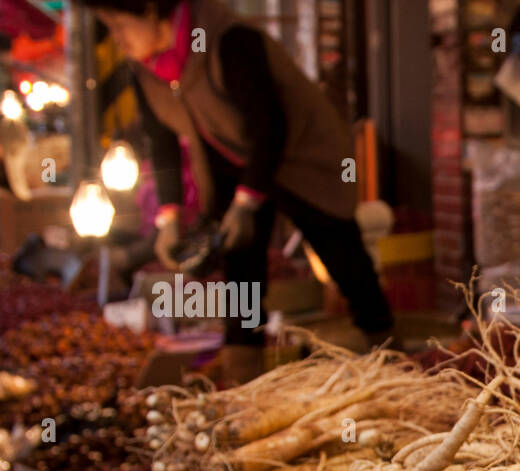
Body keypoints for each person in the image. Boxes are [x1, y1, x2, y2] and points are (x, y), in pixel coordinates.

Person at [82, 0, 394, 383]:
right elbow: (161, 143)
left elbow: (270, 125)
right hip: (228, 169)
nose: (117, 38)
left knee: (343, 257)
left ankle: (392, 359)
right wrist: (169, 216)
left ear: (149, 11)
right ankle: (243, 382)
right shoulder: (146, 72)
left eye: (119, 24)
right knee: (241, 274)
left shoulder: (228, 41)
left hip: (297, 158)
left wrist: (248, 202)